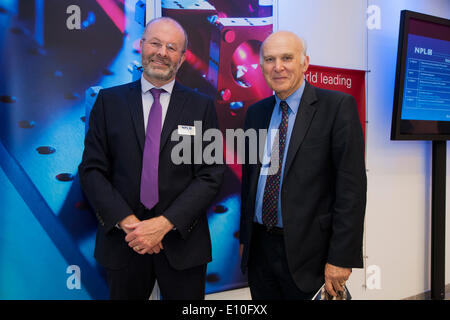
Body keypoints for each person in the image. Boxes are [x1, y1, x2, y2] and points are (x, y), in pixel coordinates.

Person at [79, 17, 224, 300]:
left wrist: (163, 224)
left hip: (183, 246)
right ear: (141, 45)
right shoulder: (109, 102)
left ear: (182, 59)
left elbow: (209, 175)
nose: (161, 53)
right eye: (155, 43)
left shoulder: (201, 107)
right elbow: (92, 170)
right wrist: (131, 224)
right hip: (125, 244)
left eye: (172, 47)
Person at [239, 31, 367, 299]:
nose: (278, 67)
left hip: (312, 256)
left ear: (305, 63)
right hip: (261, 250)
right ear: (261, 67)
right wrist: (246, 239)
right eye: (270, 59)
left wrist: (341, 258)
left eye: (287, 58)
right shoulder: (256, 113)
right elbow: (249, 180)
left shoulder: (337, 107)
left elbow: (351, 191)